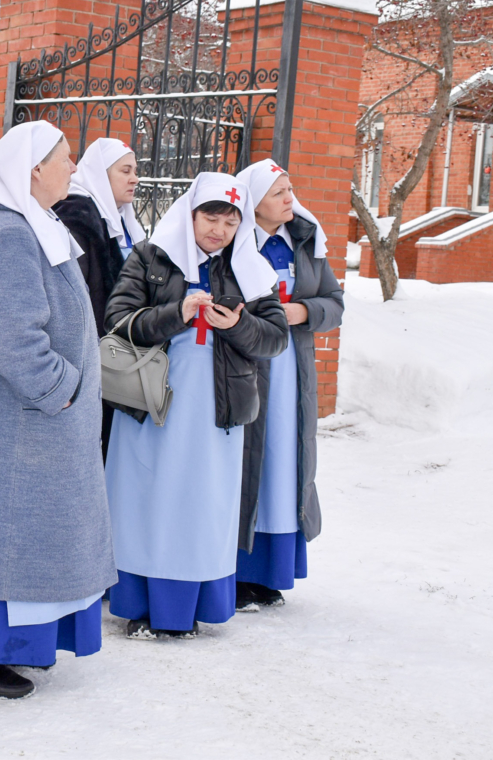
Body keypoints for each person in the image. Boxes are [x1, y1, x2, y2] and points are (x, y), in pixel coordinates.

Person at [0, 120, 116, 700]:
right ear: (34, 169)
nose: (73, 167)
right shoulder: (11, 232)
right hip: (22, 427)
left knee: (14, 542)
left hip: (31, 426)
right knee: (7, 541)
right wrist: (62, 389)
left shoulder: (30, 223)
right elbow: (13, 340)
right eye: (65, 158)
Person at [103, 172, 288, 639]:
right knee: (149, 502)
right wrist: (176, 314)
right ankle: (141, 605)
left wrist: (235, 327)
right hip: (152, 406)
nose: (219, 230)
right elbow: (117, 321)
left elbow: (275, 338)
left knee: (201, 507)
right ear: (190, 213)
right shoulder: (151, 257)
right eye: (211, 216)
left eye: (230, 220)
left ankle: (196, 604)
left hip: (216, 411)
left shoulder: (246, 266)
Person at [232, 159, 344, 611]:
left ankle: (271, 571)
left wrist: (303, 313)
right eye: (279, 192)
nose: (289, 198)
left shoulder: (304, 244)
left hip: (291, 373)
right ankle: (239, 571)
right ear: (254, 201)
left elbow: (334, 303)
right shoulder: (234, 245)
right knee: (248, 463)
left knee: (284, 464)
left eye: (291, 189)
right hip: (248, 366)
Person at [54, 137, 145, 456]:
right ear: (99, 174)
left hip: (118, 357)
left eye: (135, 170)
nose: (135, 178)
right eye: (125, 170)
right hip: (91, 360)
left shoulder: (122, 219)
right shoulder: (78, 215)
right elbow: (75, 296)